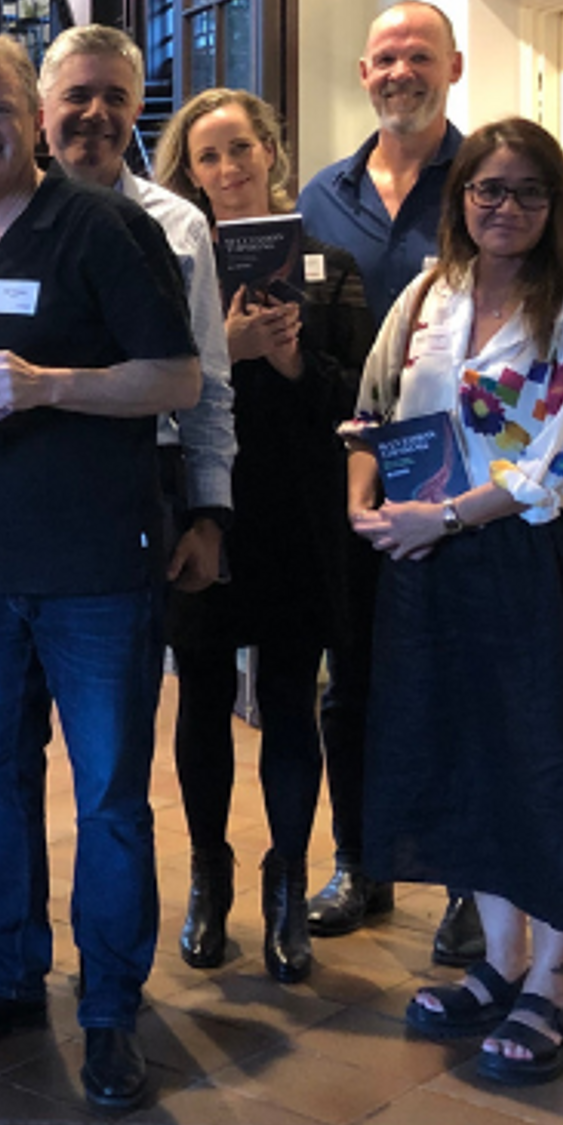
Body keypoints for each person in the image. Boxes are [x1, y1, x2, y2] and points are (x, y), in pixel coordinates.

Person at [0, 35, 200, 1113]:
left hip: (96, 570)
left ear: (30, 118)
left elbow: (176, 375)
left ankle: (112, 1012)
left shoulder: (104, 225)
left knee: (112, 798)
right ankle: (8, 972)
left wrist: (50, 387)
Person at [350, 119, 563, 1085]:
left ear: (556, 207)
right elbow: (374, 412)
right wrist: (365, 501)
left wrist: (448, 518)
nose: (504, 207)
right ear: (460, 196)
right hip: (434, 563)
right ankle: (500, 967)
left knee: (546, 765)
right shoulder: (432, 292)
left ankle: (552, 983)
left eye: (527, 192)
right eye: (486, 189)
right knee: (468, 763)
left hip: (534, 564)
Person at [153, 91, 372, 981]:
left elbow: (358, 401)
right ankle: (212, 876)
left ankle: (288, 880)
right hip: (209, 508)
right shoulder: (169, 265)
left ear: (272, 153)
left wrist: (289, 359)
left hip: (297, 512)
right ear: (189, 171)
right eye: (206, 157)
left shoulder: (334, 265)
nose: (227, 169)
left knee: (289, 698)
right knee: (202, 695)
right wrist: (226, 351)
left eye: (240, 149)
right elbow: (154, 386)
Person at [298, 0, 478, 962]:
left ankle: (464, 880)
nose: (399, 70)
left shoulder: (489, 179)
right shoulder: (321, 197)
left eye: (418, 54)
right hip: (355, 482)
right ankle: (359, 862)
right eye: (384, 58)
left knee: (455, 677)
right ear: (363, 74)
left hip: (466, 482)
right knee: (350, 680)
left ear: (457, 63)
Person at [37, 25, 235, 594]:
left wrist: (210, 515)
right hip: (28, 478)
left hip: (142, 484)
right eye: (78, 95)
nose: (96, 112)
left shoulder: (178, 226)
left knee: (117, 677)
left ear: (137, 109)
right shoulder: (0, 220)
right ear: (42, 108)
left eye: (115, 98)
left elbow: (211, 388)